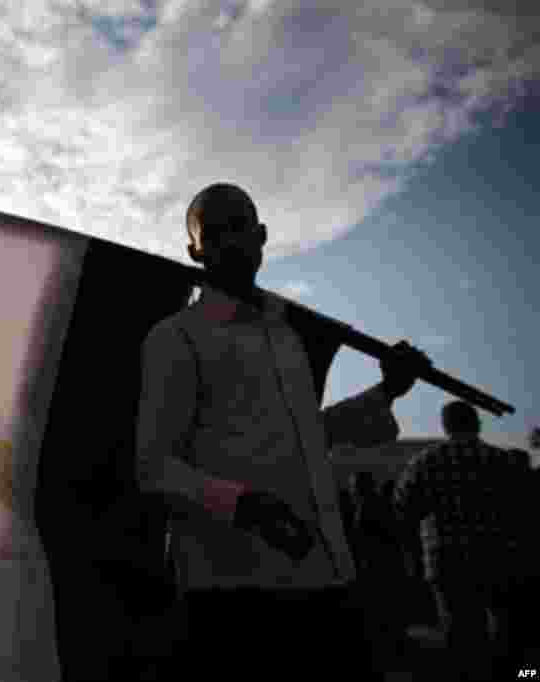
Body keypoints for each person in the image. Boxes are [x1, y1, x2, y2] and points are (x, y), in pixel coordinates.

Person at [134, 183, 430, 679]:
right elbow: (153, 467)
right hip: (233, 596)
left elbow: (310, 437)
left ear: (262, 235)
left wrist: (387, 392)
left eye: (240, 227)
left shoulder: (288, 334)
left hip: (328, 578)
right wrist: (239, 503)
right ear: (196, 250)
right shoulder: (176, 338)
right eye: (216, 232)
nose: (230, 241)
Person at [394, 400, 531, 680]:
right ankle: (519, 675)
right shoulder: (503, 461)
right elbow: (524, 510)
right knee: (503, 630)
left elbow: (404, 509)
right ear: (477, 423)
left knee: (460, 634)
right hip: (498, 556)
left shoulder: (424, 462)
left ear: (445, 426)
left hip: (446, 560)